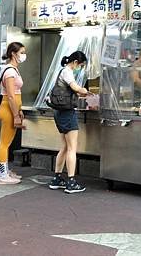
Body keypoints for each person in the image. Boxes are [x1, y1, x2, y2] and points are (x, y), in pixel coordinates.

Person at [49, 51, 89, 194]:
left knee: (65, 147)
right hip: (66, 113)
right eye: (81, 65)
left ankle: (57, 178)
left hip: (59, 112)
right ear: (76, 63)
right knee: (72, 147)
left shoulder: (63, 71)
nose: (81, 68)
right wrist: (85, 91)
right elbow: (76, 88)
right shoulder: (67, 71)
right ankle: (71, 182)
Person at [0, 42, 27, 185]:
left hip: (13, 109)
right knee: (4, 143)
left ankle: (6, 171)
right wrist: (15, 115)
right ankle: (2, 175)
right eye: (22, 52)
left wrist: (18, 112)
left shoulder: (14, 70)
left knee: (7, 142)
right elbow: (10, 96)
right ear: (14, 54)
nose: (23, 55)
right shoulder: (9, 71)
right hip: (8, 109)